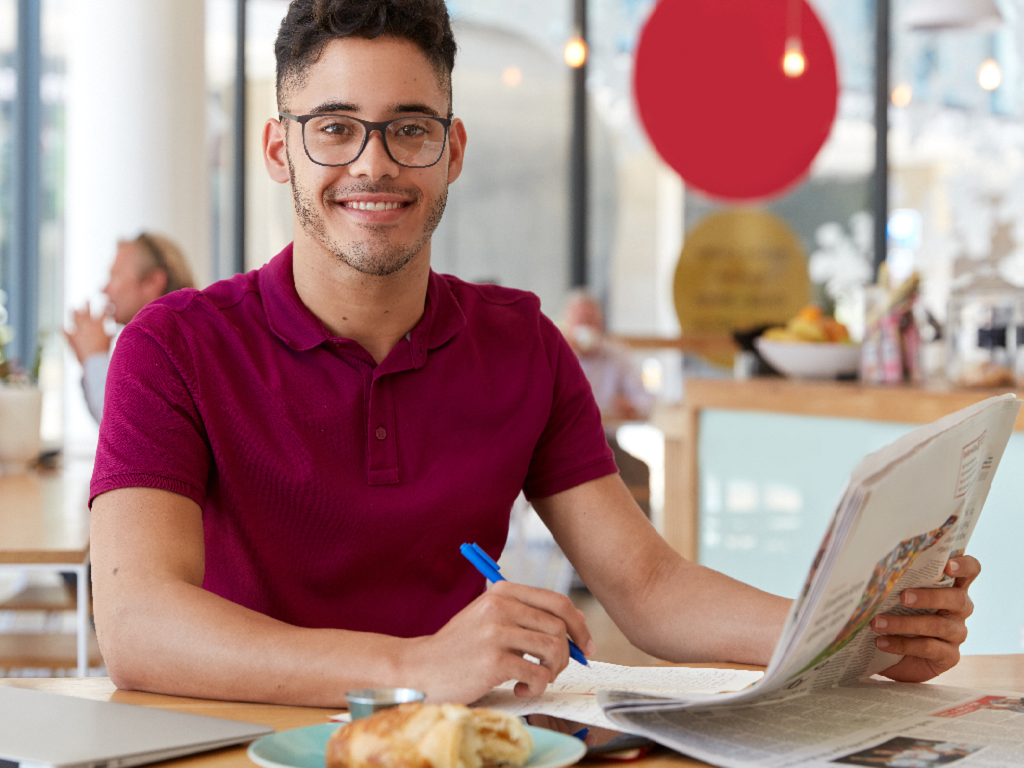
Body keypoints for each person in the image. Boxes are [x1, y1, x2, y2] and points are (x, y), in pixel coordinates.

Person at [89, 0, 980, 709]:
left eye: (409, 128)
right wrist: (415, 665)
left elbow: (648, 586)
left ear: (452, 151)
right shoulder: (171, 347)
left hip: (459, 746)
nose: (374, 163)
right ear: (280, 148)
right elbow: (137, 625)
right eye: (333, 127)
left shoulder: (522, 346)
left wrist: (850, 632)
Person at [64, 233, 194, 422]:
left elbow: (126, 425)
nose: (105, 289)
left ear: (152, 282)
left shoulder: (170, 347)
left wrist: (94, 358)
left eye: (115, 276)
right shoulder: (170, 336)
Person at [561, 290, 653, 421]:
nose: (585, 326)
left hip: (604, 435)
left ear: (600, 324)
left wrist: (632, 406)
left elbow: (645, 399)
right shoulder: (556, 358)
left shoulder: (616, 353)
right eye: (580, 320)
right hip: (564, 437)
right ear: (567, 325)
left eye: (590, 320)